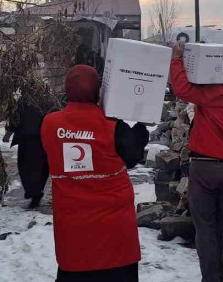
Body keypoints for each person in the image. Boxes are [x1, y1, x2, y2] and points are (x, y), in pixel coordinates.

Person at [40, 64, 149, 282]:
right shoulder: (113, 126)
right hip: (115, 230)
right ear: (98, 91)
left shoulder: (50, 124)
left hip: (73, 230)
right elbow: (134, 154)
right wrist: (141, 123)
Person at [169, 40, 223, 282]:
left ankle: (211, 279)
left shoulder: (211, 92)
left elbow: (181, 89)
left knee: (205, 229)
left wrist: (177, 59)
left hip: (203, 169)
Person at [4, 87, 56, 209]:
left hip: (27, 140)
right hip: (43, 139)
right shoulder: (49, 102)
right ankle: (37, 190)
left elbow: (15, 121)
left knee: (26, 168)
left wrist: (8, 134)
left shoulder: (22, 103)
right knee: (43, 167)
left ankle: (34, 192)